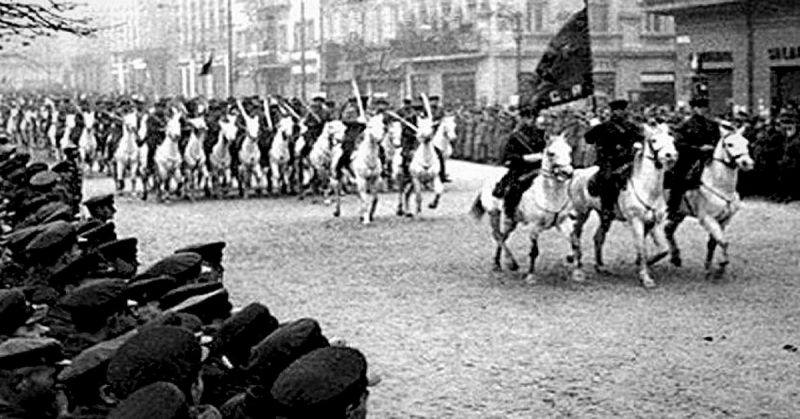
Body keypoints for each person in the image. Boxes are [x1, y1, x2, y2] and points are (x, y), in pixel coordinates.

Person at [584, 99, 644, 220]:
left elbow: (640, 138)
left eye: (622, 110)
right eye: (617, 110)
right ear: (612, 112)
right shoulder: (604, 126)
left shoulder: (630, 126)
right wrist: (594, 128)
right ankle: (607, 208)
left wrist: (637, 144)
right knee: (608, 178)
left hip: (628, 160)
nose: (620, 113)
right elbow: (588, 138)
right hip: (609, 160)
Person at [666, 96, 720, 219]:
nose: (702, 110)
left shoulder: (713, 125)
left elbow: (718, 141)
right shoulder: (685, 125)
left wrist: (712, 147)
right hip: (690, 158)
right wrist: (698, 149)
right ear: (694, 109)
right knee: (678, 179)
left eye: (704, 107)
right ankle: (673, 209)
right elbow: (679, 144)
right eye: (699, 107)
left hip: (709, 158)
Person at [491, 105, 547, 220]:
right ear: (522, 119)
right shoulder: (515, 136)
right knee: (514, 188)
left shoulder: (540, 134)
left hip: (540, 167)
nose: (531, 121)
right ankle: (509, 213)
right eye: (528, 118)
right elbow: (508, 156)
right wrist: (525, 158)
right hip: (521, 168)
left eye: (533, 118)